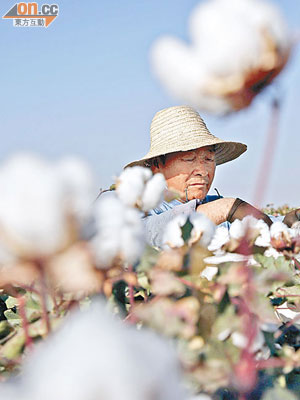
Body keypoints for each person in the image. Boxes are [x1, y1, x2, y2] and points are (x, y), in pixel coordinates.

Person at [125, 106, 298, 247]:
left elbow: (269, 225)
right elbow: (144, 234)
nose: (202, 170)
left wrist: (288, 223)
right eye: (189, 158)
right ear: (157, 165)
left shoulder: (216, 204)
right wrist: (225, 208)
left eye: (208, 159)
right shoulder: (141, 209)